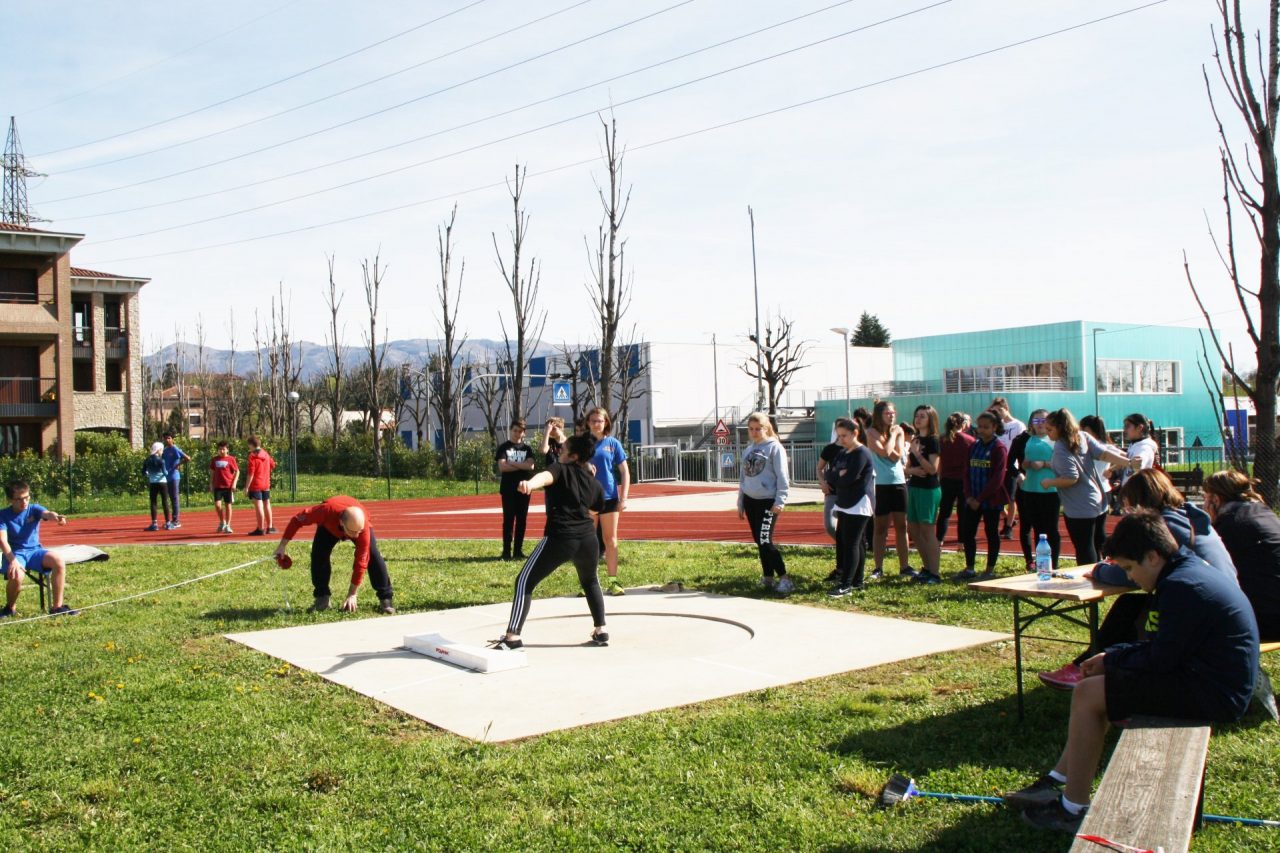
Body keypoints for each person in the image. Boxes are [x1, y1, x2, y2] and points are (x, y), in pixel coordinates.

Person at [1006, 511, 1258, 835]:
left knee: (1090, 692)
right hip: (1207, 679)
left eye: (1129, 568)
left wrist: (1113, 662)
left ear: (1152, 557)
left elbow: (1162, 659)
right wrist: (1113, 656)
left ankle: (1072, 809)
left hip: (1216, 693)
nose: (1130, 577)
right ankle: (1060, 781)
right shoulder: (1184, 573)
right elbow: (1164, 649)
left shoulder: (1183, 586)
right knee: (1100, 685)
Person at [1037, 468, 1237, 689]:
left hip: (1204, 611)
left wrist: (1100, 570)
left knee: (1129, 609)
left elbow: (1132, 574)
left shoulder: (1163, 526)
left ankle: (1092, 667)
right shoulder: (1187, 516)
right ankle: (1092, 663)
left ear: (1141, 502)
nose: (1127, 512)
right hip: (1223, 600)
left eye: (1129, 506)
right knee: (1131, 605)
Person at [489, 433, 609, 650]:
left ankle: (512, 636)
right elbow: (597, 507)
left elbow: (544, 477)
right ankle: (601, 630)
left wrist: (529, 484)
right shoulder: (593, 481)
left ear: (572, 456)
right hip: (588, 539)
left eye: (562, 451)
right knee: (590, 581)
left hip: (561, 537)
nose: (559, 453)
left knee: (524, 581)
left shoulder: (559, 469)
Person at [1041, 409, 1134, 566]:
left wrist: (1049, 482)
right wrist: (1128, 462)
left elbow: (1071, 478)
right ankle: (1108, 571)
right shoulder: (1082, 436)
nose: (1047, 433)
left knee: (1084, 548)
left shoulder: (1061, 448)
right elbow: (1103, 453)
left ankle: (1090, 579)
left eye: (1050, 429)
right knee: (1098, 541)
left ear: (1060, 428)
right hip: (1097, 499)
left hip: (1079, 506)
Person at [274, 496, 394, 614]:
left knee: (372, 555)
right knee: (319, 554)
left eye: (359, 532)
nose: (356, 536)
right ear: (341, 523)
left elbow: (361, 562)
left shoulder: (362, 529)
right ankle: (322, 598)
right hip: (329, 526)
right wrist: (282, 545)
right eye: (353, 532)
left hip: (356, 524)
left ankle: (386, 599)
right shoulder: (324, 511)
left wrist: (352, 594)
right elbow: (297, 520)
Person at [1202, 470, 1280, 641]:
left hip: (1265, 619)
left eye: (1205, 498)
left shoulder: (1231, 524)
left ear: (1216, 499)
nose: (1204, 505)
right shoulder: (1264, 513)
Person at [0, 479, 75, 618]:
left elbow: (47, 513)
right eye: (19, 499)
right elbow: (2, 541)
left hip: (35, 551)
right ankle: (9, 608)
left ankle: (57, 607)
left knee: (58, 560)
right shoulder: (2, 515)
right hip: (15, 553)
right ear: (10, 499)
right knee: (17, 576)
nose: (24, 502)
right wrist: (13, 561)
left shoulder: (34, 509)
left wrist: (56, 517)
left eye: (27, 497)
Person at [738, 411, 793, 594]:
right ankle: (768, 577)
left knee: (765, 539)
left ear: (766, 428)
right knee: (759, 541)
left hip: (768, 501)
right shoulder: (749, 449)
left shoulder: (774, 448)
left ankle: (784, 578)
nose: (754, 432)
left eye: (758, 429)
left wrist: (780, 500)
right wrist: (741, 502)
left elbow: (783, 477)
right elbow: (743, 478)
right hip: (750, 500)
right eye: (751, 429)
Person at [825, 416, 875, 595]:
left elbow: (849, 479)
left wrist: (839, 476)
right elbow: (830, 475)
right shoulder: (842, 453)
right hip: (844, 502)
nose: (841, 440)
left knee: (852, 543)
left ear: (856, 433)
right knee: (852, 542)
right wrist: (839, 474)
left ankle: (846, 584)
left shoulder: (862, 453)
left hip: (859, 503)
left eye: (844, 436)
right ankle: (856, 581)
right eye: (839, 436)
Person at [955, 410, 1007, 580]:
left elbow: (997, 478)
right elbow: (966, 472)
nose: (982, 430)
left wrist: (980, 499)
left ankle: (989, 570)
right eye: (980, 427)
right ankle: (970, 568)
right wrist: (969, 496)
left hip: (990, 500)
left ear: (994, 427)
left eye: (986, 427)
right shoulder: (974, 446)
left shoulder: (999, 448)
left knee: (991, 532)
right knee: (968, 531)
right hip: (972, 499)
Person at [586, 407, 630, 596]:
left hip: (609, 498)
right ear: (588, 423)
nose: (596, 424)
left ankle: (613, 582)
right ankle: (589, 584)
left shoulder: (613, 444)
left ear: (606, 423)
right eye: (593, 420)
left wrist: (624, 497)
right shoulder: (582, 444)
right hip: (587, 499)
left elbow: (624, 472)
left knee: (610, 540)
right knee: (588, 542)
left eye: (600, 421)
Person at [867, 400, 912, 579]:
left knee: (902, 526)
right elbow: (886, 452)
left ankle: (904, 566)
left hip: (898, 482)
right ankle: (878, 567)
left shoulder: (899, 430)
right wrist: (892, 437)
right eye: (887, 413)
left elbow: (897, 455)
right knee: (880, 528)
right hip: (881, 484)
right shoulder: (871, 432)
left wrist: (892, 440)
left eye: (893, 413)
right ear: (879, 415)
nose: (891, 416)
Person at [1012, 410, 1060, 573]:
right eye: (1036, 420)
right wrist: (1024, 465)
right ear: (1031, 422)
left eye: (1043, 420)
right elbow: (1017, 461)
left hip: (1050, 490)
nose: (1040, 423)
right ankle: (1041, 564)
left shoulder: (1055, 440)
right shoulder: (1027, 439)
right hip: (1030, 489)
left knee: (1051, 529)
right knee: (1037, 529)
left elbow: (1063, 464)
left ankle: (1054, 564)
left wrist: (1045, 464)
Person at [904, 405, 943, 584]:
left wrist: (918, 456)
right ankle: (926, 568)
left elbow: (932, 469)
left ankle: (935, 573)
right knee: (913, 528)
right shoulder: (916, 439)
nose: (918, 419)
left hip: (928, 489)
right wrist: (913, 469)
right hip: (915, 487)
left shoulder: (934, 440)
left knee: (927, 530)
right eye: (917, 415)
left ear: (931, 420)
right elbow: (906, 469)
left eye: (923, 416)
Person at [495, 419, 535, 561]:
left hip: (524, 489)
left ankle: (518, 551)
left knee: (522, 520)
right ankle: (506, 552)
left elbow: (530, 466)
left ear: (523, 433)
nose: (517, 433)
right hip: (508, 489)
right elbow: (502, 467)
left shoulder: (527, 449)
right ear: (511, 430)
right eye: (515, 430)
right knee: (508, 520)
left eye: (520, 431)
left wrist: (511, 462)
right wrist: (521, 465)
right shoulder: (503, 447)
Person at [1079, 416, 1118, 556]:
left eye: (1082, 429)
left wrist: (1112, 469)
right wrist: (1112, 469)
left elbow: (1127, 458)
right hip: (1103, 489)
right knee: (1098, 529)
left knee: (1092, 532)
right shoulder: (1108, 446)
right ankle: (1105, 557)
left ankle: (1101, 558)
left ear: (1088, 430)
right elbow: (1126, 458)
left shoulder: (1095, 447)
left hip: (1094, 490)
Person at [936, 411, 975, 545]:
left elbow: (938, 462)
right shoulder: (969, 440)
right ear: (963, 424)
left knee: (945, 512)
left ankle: (939, 539)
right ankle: (961, 542)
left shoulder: (941, 439)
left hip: (946, 479)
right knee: (962, 512)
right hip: (964, 480)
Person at [990, 398, 1026, 538]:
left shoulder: (1018, 425)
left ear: (1006, 409)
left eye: (1000, 410)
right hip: (997, 466)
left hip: (1012, 466)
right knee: (995, 496)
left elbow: (1021, 445)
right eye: (995, 411)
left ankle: (1008, 527)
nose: (998, 413)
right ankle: (1007, 517)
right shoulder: (995, 426)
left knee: (1011, 498)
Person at [244, 435, 277, 536]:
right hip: (266, 483)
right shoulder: (266, 454)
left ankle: (260, 528)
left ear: (251, 445)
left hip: (256, 484)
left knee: (259, 505)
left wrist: (246, 487)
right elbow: (273, 465)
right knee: (267, 504)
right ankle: (270, 527)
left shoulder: (252, 456)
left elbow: (251, 473)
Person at [209, 439, 240, 534]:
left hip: (228, 486)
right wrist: (210, 484)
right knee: (218, 505)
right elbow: (212, 473)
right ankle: (222, 522)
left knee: (228, 505)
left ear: (227, 450)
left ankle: (228, 525)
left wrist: (234, 483)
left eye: (223, 449)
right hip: (218, 486)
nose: (221, 451)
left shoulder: (231, 459)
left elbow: (237, 471)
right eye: (219, 449)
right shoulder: (214, 459)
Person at [1119, 413, 1159, 486]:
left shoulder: (1145, 447)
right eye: (1124, 426)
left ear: (1139, 428)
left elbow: (1138, 463)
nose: (1124, 429)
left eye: (1127, 426)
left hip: (1138, 491)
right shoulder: (1134, 444)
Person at [816, 435, 842, 543]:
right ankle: (843, 544)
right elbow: (819, 468)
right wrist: (823, 483)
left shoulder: (856, 449)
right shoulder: (830, 449)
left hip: (850, 494)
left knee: (848, 527)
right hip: (832, 492)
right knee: (830, 525)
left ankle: (849, 547)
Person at [161, 432, 190, 530]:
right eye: (165, 438)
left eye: (169, 438)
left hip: (174, 477)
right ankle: (171, 520)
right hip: (167, 476)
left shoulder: (175, 449)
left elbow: (187, 458)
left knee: (174, 498)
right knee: (169, 498)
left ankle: (176, 520)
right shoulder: (164, 451)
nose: (167, 440)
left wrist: (178, 464)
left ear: (172, 439)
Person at [142, 441, 171, 531]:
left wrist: (149, 474)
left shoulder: (147, 460)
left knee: (153, 502)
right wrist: (168, 471)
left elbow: (143, 472)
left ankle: (154, 524)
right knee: (165, 502)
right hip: (162, 483)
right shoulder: (161, 460)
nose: (162, 451)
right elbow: (165, 473)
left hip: (153, 483)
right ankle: (168, 523)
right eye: (161, 450)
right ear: (158, 450)